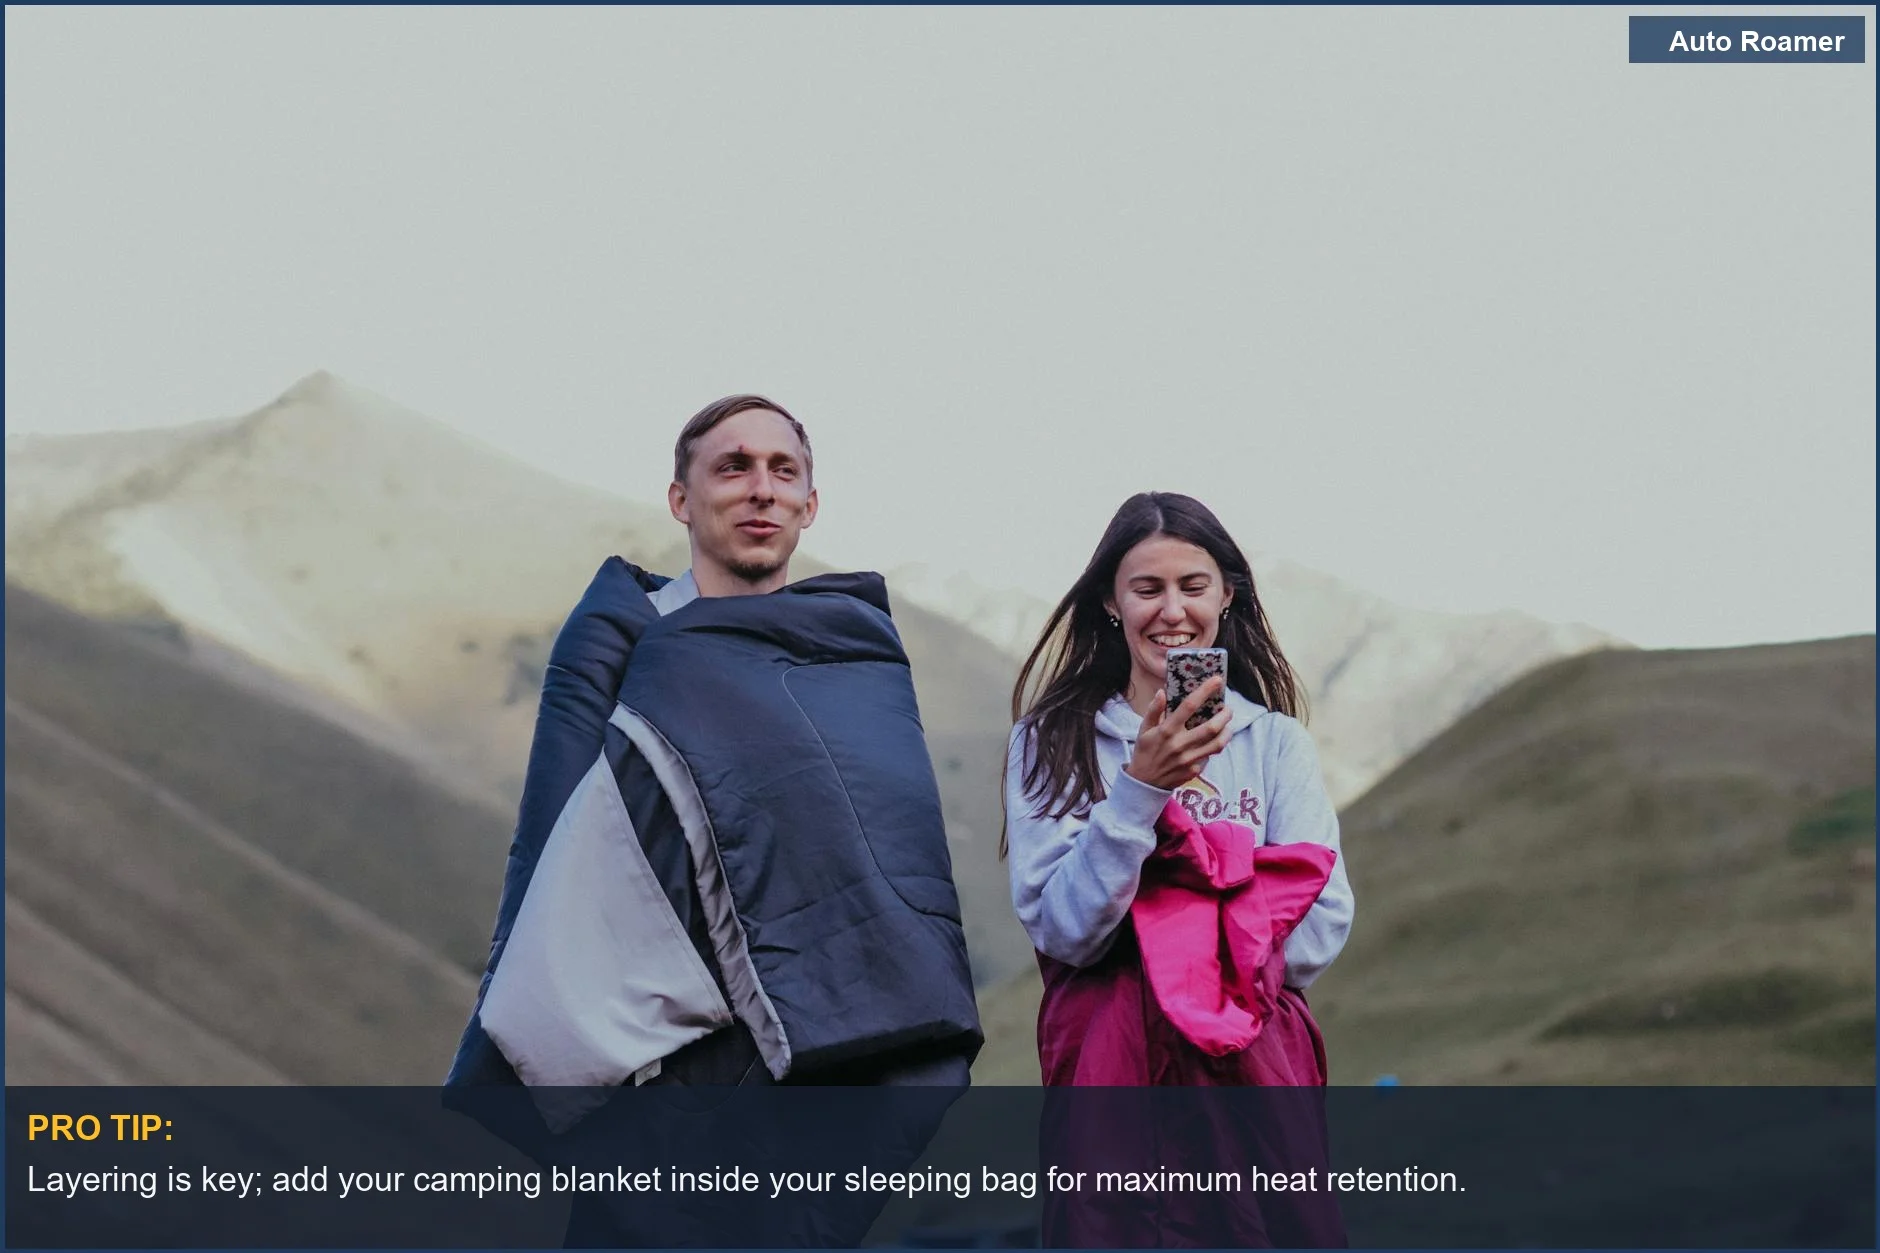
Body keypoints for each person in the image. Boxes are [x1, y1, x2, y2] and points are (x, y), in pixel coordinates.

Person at [445, 395, 980, 1245]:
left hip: (816, 1048)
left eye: (783, 471)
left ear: (811, 503)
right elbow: (556, 847)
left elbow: (890, 862)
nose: (760, 489)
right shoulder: (625, 638)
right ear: (681, 499)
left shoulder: (849, 656)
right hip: (663, 1054)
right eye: (732, 467)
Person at [1004, 491, 1352, 1245]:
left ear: (1227, 594)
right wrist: (1140, 793)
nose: (1172, 611)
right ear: (1110, 600)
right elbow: (1063, 928)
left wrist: (1152, 916)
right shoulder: (1052, 740)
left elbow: (1321, 925)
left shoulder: (1275, 743)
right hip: (1109, 1069)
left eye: (1193, 585)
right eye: (1146, 587)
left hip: (1253, 1068)